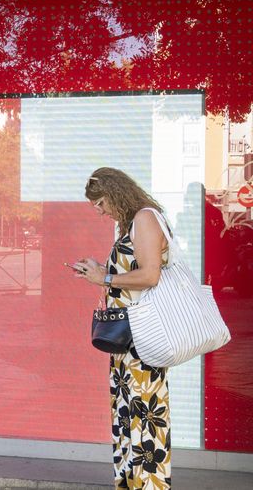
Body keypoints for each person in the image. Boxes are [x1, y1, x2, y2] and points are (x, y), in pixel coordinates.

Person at [71, 168, 172, 489]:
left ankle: (149, 485)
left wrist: (105, 278)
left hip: (142, 339)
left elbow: (150, 276)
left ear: (116, 193)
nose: (100, 211)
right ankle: (130, 483)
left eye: (100, 203)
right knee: (130, 415)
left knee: (145, 416)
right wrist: (100, 271)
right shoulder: (130, 223)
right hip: (128, 341)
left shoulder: (144, 218)